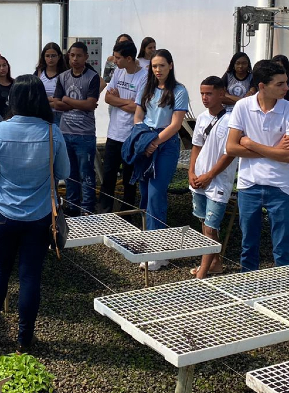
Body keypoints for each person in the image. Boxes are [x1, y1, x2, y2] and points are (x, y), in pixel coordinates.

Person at [0, 75, 70, 350]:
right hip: (39, 216)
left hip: (4, 213)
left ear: (12, 99)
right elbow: (63, 172)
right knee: (30, 277)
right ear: (41, 99)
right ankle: (24, 339)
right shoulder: (52, 132)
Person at [226, 60, 289, 272]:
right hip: (249, 184)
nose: (287, 88)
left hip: (280, 186)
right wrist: (274, 149)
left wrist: (250, 144)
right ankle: (248, 292)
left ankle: (284, 294)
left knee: (282, 249)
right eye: (280, 84)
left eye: (286, 82)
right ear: (262, 86)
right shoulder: (242, 106)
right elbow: (231, 148)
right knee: (248, 247)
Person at [126, 50, 189, 268]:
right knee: (145, 194)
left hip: (165, 145)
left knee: (156, 194)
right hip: (146, 141)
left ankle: (158, 250)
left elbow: (175, 124)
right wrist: (142, 137)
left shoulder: (179, 91)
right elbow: (138, 116)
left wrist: (155, 142)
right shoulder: (147, 88)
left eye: (162, 65)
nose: (158, 70)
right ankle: (151, 246)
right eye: (154, 66)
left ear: (170, 66)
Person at [188, 76, 236, 278]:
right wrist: (191, 172)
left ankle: (202, 273)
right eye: (202, 94)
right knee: (204, 223)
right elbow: (196, 146)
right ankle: (215, 262)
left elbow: (229, 154)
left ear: (221, 93)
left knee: (211, 226)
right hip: (199, 180)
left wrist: (209, 175)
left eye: (209, 93)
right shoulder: (201, 118)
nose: (205, 98)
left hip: (218, 181)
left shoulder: (231, 120)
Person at [97, 40, 147, 214]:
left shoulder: (145, 76)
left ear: (129, 58)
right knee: (108, 177)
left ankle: (127, 215)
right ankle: (105, 212)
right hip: (114, 133)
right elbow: (107, 98)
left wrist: (119, 101)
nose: (115, 61)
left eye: (118, 58)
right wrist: (126, 102)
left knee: (129, 179)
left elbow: (138, 107)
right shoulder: (118, 72)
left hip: (132, 135)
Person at [50, 42, 100, 215]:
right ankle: (72, 206)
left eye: (79, 55)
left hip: (84, 134)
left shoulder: (92, 77)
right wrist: (77, 104)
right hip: (66, 132)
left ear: (86, 57)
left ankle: (87, 208)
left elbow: (90, 104)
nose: (75, 59)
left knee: (86, 173)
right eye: (72, 55)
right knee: (69, 173)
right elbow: (56, 104)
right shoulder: (63, 77)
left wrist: (67, 100)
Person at [34, 42, 66, 124]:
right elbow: (35, 96)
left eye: (53, 56)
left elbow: (65, 98)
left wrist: (45, 101)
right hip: (42, 114)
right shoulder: (38, 73)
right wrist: (54, 100)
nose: (50, 59)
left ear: (59, 57)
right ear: (43, 57)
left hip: (60, 115)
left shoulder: (65, 75)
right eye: (47, 56)